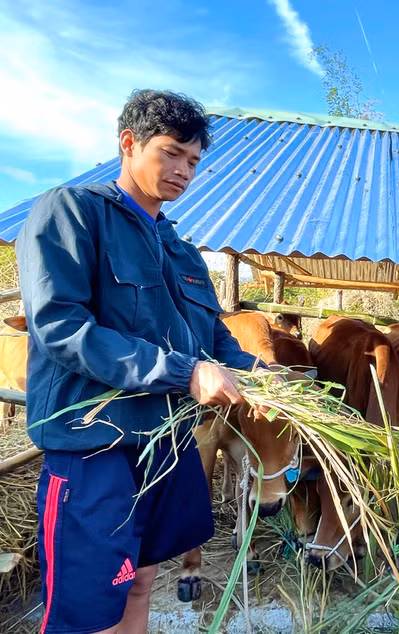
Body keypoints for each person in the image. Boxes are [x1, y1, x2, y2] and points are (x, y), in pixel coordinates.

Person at [17, 89, 266, 634]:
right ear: (129, 144)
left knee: (143, 582)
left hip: (166, 443)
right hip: (96, 447)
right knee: (88, 613)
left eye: (194, 161)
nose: (183, 170)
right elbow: (62, 328)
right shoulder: (72, 213)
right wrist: (184, 373)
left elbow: (212, 338)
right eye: (171, 152)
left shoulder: (178, 246)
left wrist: (263, 375)